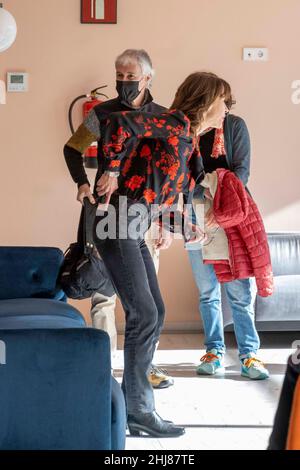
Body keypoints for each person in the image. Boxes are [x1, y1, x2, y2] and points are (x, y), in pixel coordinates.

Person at [90, 72, 229, 437]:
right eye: (224, 101)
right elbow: (118, 121)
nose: (227, 109)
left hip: (134, 225)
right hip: (118, 225)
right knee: (145, 313)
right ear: (207, 100)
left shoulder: (187, 138)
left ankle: (134, 403)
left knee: (156, 311)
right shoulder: (172, 122)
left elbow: (154, 192)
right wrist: (113, 169)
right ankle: (137, 408)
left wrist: (184, 226)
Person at [64, 49, 174, 389]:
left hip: (144, 219)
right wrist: (82, 182)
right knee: (104, 298)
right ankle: (102, 370)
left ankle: (143, 369)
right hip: (108, 216)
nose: (124, 83)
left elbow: (169, 174)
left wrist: (166, 222)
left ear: (147, 78)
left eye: (131, 77)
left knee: (148, 308)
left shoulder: (163, 118)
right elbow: (72, 148)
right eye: (120, 75)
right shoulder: (102, 114)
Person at [186, 94, 270, 380]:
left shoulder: (234, 126)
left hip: (229, 214)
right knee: (207, 292)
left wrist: (219, 208)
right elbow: (183, 174)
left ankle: (250, 354)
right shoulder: (189, 129)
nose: (224, 109)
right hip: (194, 213)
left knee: (239, 293)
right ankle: (214, 351)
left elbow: (241, 172)